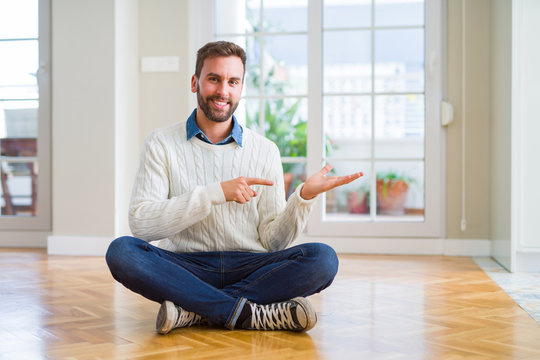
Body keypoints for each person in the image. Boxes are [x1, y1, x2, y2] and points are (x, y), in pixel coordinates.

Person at [105, 41, 363, 333]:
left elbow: (273, 242)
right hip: (186, 266)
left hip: (251, 265)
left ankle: (195, 311)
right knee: (122, 251)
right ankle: (249, 312)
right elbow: (142, 224)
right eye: (214, 79)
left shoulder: (265, 150)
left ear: (241, 88)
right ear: (195, 82)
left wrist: (303, 197)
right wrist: (215, 194)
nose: (223, 91)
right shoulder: (161, 143)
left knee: (323, 258)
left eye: (232, 81)